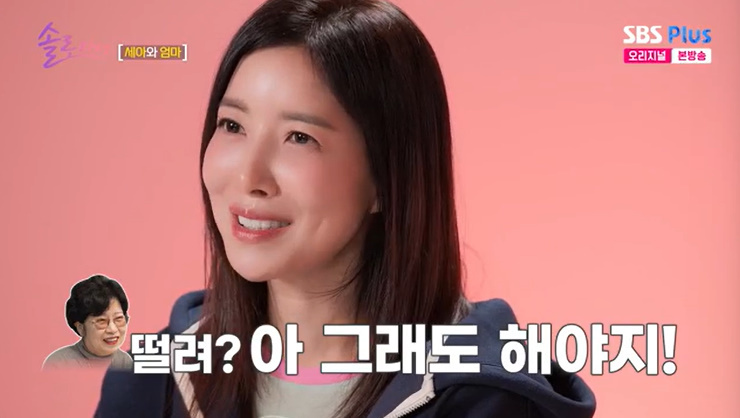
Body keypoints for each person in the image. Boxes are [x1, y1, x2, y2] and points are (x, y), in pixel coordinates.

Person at [95, 0, 597, 416]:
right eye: (232, 126)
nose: (248, 178)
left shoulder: (486, 402)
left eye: (299, 137)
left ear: (387, 178)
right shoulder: (151, 383)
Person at [43, 274, 133, 370]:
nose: (112, 329)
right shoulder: (59, 363)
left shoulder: (125, 362)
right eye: (101, 321)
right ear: (80, 328)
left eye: (118, 319)